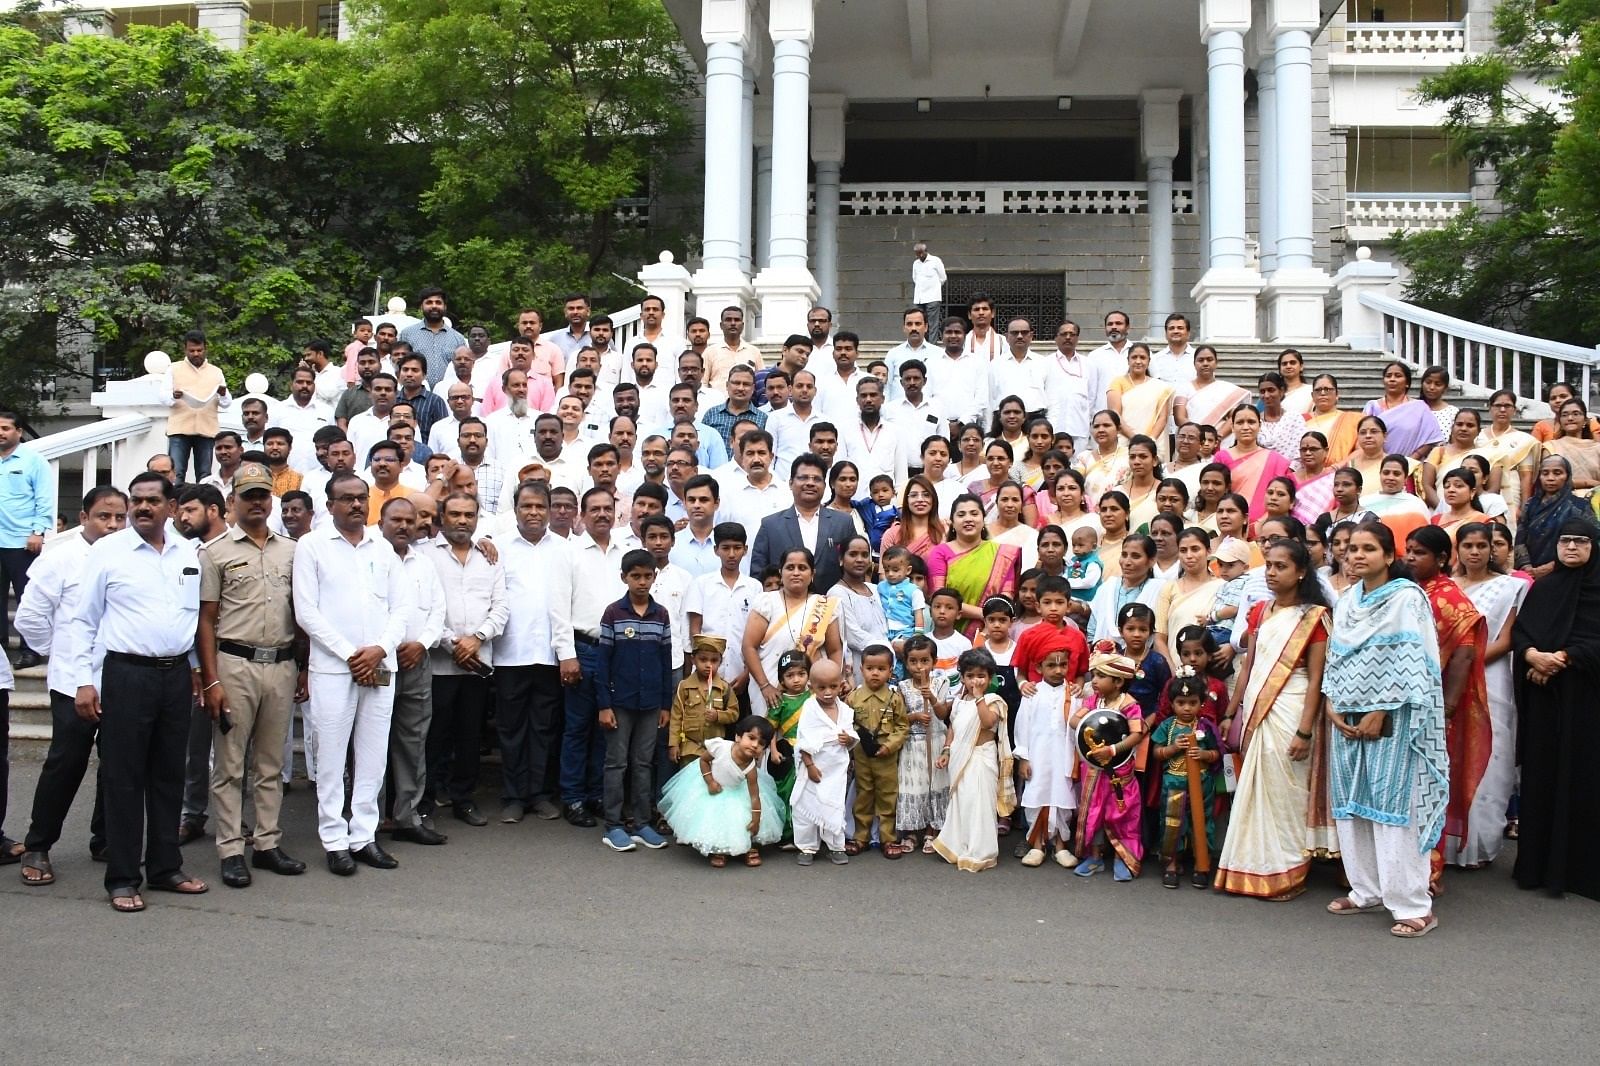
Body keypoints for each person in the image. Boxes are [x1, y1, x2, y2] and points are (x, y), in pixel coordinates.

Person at [62, 472, 208, 911]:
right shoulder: (108, 552)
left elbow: (190, 618)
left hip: (176, 676)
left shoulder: (189, 552)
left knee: (169, 776)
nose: (143, 508)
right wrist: (83, 681)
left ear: (170, 507)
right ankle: (123, 877)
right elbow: (82, 620)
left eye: (152, 501)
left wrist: (198, 670)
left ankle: (165, 868)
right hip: (126, 675)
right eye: (137, 501)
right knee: (124, 778)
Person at [1324, 522, 1447, 938]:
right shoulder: (1346, 601)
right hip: (1345, 715)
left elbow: (1414, 663)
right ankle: (1366, 889)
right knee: (1351, 803)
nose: (1357, 556)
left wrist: (1381, 709)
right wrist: (1331, 704)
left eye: (1368, 549)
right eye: (1352, 549)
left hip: (1394, 718)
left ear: (1389, 556)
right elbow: (1336, 659)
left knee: (1393, 808)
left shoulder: (1406, 600)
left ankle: (1413, 904)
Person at [193, 464, 308, 889]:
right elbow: (205, 620)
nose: (257, 502)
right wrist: (211, 680)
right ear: (232, 502)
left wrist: (304, 666)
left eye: (263, 494)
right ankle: (229, 848)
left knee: (270, 763)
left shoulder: (293, 551)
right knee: (229, 762)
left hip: (280, 663)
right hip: (234, 664)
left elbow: (302, 615)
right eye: (249, 495)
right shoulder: (215, 552)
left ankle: (266, 843)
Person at [293, 471, 410, 876]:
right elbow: (306, 611)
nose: (357, 504)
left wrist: (378, 649)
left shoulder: (382, 547)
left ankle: (364, 836)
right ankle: (334, 839)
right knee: (331, 757)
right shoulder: (312, 547)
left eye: (362, 498)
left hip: (379, 666)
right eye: (347, 499)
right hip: (333, 669)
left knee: (373, 757)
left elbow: (401, 609)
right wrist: (349, 654)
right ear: (330, 506)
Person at [13, 486, 126, 885]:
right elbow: (29, 619)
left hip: (120, 680)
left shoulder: (132, 556)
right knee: (66, 763)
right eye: (103, 517)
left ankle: (106, 839)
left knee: (116, 765)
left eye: (119, 517)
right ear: (83, 517)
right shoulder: (59, 559)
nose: (112, 525)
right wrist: (58, 653)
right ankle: (38, 845)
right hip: (72, 681)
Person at [1213, 539, 1334, 900]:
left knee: (1286, 793)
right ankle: (1252, 866)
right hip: (1255, 708)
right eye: (1268, 565)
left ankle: (1287, 870)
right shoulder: (1260, 612)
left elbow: (1317, 678)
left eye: (1281, 566)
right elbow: (1247, 667)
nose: (1271, 572)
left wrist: (1305, 730)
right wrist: (1231, 712)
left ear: (1300, 573)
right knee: (1256, 791)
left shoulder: (1315, 617)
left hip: (1292, 710)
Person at [1511, 517, 1600, 900]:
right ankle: (1537, 867)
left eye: (1581, 541)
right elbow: (1523, 632)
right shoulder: (1544, 588)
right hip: (1546, 701)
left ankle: (1580, 871)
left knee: (1583, 779)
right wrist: (1532, 655)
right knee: (1543, 775)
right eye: (1566, 541)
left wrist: (1561, 658)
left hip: (1587, 703)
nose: (1572, 548)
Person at [1404, 526, 1492, 893]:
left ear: (1441, 559)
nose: (1410, 558)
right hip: (1408, 703)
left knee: (1429, 787)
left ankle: (1428, 871)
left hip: (1436, 708)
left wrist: (1448, 708)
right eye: (1407, 550)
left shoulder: (1448, 598)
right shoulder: (1409, 591)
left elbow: (1465, 653)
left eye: (1419, 552)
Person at [422, 494, 508, 827]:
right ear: (441, 517)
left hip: (477, 664)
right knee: (434, 735)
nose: (462, 520)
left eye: (468, 515)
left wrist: (478, 639)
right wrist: (452, 643)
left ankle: (463, 798)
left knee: (470, 735)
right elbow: (423, 606)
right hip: (438, 663)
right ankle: (426, 799)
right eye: (455, 514)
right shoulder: (425, 555)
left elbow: (501, 606)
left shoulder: (489, 557)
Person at [493, 481, 574, 822]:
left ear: (550, 509)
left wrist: (567, 651)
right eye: (526, 506)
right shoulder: (498, 549)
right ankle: (514, 796)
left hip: (549, 653)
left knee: (544, 727)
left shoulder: (566, 549)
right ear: (515, 510)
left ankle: (539, 793)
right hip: (510, 653)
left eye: (540, 506)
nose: (534, 512)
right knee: (511, 728)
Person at [1451, 523, 1524, 868]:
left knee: (1490, 756)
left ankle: (1480, 845)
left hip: (1490, 677)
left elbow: (1508, 638)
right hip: (1449, 677)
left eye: (1482, 545)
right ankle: (1448, 844)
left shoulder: (1510, 588)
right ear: (1458, 549)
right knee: (1453, 755)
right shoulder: (1447, 587)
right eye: (1468, 545)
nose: (1476, 552)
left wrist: (1468, 662)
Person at [592, 549, 674, 853]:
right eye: (635, 576)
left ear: (655, 577)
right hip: (619, 703)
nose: (642, 582)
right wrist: (604, 705)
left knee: (643, 763)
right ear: (623, 577)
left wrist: (665, 704)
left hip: (651, 704)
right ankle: (613, 825)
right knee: (616, 763)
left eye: (647, 576)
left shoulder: (661, 614)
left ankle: (642, 823)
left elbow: (666, 662)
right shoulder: (613, 613)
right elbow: (602, 664)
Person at [379, 495, 448, 847]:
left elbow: (438, 609)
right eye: (397, 520)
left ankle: (408, 815)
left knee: (412, 742)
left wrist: (421, 643)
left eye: (411, 520)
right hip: (378, 665)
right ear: (381, 522)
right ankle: (370, 820)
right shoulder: (371, 557)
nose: (405, 526)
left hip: (417, 662)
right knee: (371, 744)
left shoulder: (423, 563)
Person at [659, 714, 785, 868]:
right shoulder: (720, 747)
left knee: (741, 817)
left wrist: (756, 819)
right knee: (714, 817)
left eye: (761, 744)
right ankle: (718, 848)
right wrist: (710, 781)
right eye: (751, 738)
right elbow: (704, 761)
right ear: (738, 737)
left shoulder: (751, 769)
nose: (754, 745)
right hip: (713, 785)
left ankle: (748, 846)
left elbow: (754, 796)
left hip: (737, 791)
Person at [932, 648, 1015, 872]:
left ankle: (980, 852)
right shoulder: (959, 701)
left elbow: (988, 723)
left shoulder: (993, 700)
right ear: (962, 677)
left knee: (979, 805)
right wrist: (947, 751)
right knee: (962, 803)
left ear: (990, 678)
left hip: (981, 759)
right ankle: (957, 847)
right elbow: (954, 727)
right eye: (970, 676)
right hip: (960, 759)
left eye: (981, 676)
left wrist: (979, 698)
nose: (975, 680)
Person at [1068, 648, 1144, 881]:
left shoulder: (1129, 704)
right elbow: (1073, 721)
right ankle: (1095, 856)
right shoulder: (1093, 701)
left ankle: (1123, 857)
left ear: (1119, 681)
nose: (1095, 681)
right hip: (1093, 770)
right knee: (1094, 812)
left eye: (1101, 676)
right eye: (1094, 676)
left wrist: (1112, 749)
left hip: (1118, 771)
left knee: (1121, 813)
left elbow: (1136, 734)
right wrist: (1090, 724)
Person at [741, 547, 844, 717]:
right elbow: (748, 647)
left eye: (802, 568)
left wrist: (835, 681)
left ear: (812, 574)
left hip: (812, 691)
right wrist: (765, 686)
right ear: (781, 573)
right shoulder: (766, 601)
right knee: (769, 739)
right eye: (790, 568)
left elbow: (835, 650)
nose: (796, 573)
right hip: (770, 689)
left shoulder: (824, 606)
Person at [748, 453, 857, 594]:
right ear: (790, 483)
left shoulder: (843, 523)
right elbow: (758, 577)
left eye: (816, 479)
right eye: (803, 478)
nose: (810, 483)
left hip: (832, 607)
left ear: (824, 485)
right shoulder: (770, 525)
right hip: (784, 610)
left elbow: (854, 569)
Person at [1151, 671, 1220, 889]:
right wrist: (1173, 748)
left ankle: (1202, 864)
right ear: (1172, 704)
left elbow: (1217, 753)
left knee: (1202, 823)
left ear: (1201, 703)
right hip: (1173, 783)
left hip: (1201, 784)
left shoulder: (1205, 726)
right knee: (1172, 824)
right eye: (1181, 703)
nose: (1187, 708)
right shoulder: (1167, 726)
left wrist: (1205, 755)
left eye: (1192, 703)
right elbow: (1156, 752)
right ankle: (1171, 864)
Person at [1013, 646, 1078, 869]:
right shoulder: (1032, 693)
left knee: (1063, 798)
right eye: (1051, 665)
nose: (1058, 670)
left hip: (1064, 754)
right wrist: (1023, 757)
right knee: (1037, 795)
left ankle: (1060, 847)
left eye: (1063, 665)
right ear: (1039, 667)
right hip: (1037, 755)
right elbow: (1022, 726)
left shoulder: (1074, 694)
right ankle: (1037, 846)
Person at [789, 657, 857, 865]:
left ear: (841, 684)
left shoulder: (844, 710)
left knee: (834, 804)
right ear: (811, 687)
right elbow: (804, 740)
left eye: (833, 686)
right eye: (822, 687)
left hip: (836, 768)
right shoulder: (810, 709)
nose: (828, 692)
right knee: (806, 806)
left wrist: (849, 739)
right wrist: (809, 765)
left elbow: (851, 733)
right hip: (814, 765)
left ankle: (836, 845)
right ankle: (807, 846)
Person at [0, 409, 53, 671]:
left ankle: (30, 650)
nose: (1, 433)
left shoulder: (34, 461)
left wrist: (38, 531)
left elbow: (44, 498)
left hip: (22, 542)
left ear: (18, 432)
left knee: (27, 598)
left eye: (6, 428)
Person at [846, 645, 910, 858]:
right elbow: (846, 724)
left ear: (890, 670)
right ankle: (860, 837)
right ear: (861, 669)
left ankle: (888, 838)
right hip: (862, 754)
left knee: (887, 796)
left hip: (886, 755)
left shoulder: (894, 698)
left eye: (881, 668)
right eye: (870, 668)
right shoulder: (853, 698)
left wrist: (889, 745)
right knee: (863, 794)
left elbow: (902, 726)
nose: (875, 673)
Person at [927, 494, 1020, 638]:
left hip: (991, 632)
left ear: (984, 519)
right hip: (948, 633)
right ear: (952, 521)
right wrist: (986, 614)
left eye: (974, 513)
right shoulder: (940, 553)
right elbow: (938, 599)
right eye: (961, 514)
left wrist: (990, 622)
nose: (968, 519)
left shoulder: (1002, 554)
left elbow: (1005, 599)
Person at [894, 635, 951, 856]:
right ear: (906, 663)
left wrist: (933, 698)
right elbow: (897, 718)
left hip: (935, 739)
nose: (919, 667)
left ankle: (932, 830)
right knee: (913, 786)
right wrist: (915, 716)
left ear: (934, 661)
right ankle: (911, 833)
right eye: (914, 662)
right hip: (912, 743)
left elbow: (944, 714)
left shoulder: (940, 682)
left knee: (934, 785)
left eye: (925, 661)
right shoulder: (902, 687)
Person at [163, 332, 231, 482]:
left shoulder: (216, 371)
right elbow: (163, 398)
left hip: (207, 430)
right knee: (176, 473)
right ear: (185, 350)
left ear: (205, 349)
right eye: (192, 350)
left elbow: (227, 403)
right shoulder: (174, 369)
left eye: (199, 350)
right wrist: (174, 396)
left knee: (205, 474)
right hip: (179, 429)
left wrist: (223, 393)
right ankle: (175, 503)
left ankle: (203, 504)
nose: (196, 354)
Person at [667, 634, 739, 768]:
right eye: (703, 659)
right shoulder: (684, 687)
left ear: (720, 662)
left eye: (714, 660)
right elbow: (676, 718)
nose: (708, 665)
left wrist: (719, 716)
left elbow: (734, 713)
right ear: (693, 660)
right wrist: (674, 744)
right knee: (690, 784)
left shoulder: (724, 688)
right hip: (690, 748)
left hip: (715, 750)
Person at [1363, 362, 1446, 460]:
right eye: (1388, 376)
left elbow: (1431, 438)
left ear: (1407, 383)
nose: (1392, 379)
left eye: (1398, 376)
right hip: (1375, 463)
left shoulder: (1419, 407)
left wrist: (1410, 460)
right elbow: (1362, 435)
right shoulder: (1372, 406)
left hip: (1411, 464)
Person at [1107, 343, 1175, 444]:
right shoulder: (1117, 382)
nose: (1138, 361)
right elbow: (1115, 415)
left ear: (1149, 361)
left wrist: (1150, 441)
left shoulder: (1160, 387)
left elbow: (1162, 418)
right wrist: (1135, 439)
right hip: (1124, 441)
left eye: (1142, 358)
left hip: (1153, 443)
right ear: (1128, 360)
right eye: (1134, 357)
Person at [877, 546, 927, 661]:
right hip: (884, 631)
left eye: (895, 570)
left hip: (905, 631)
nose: (890, 574)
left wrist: (917, 636)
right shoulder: (880, 587)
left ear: (908, 570)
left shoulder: (913, 590)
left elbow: (918, 613)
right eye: (886, 570)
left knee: (903, 659)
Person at [1303, 374, 1362, 464]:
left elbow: (1361, 450)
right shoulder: (1301, 420)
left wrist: (1337, 467)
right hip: (1305, 473)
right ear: (1312, 395)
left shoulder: (1354, 420)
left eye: (1327, 389)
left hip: (1341, 474)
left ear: (1337, 394)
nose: (1322, 393)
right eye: (1318, 390)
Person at [910, 241, 946, 326]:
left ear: (924, 252)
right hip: (919, 298)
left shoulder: (936, 260)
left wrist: (934, 287)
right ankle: (922, 340)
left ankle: (932, 340)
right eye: (916, 254)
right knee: (919, 322)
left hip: (932, 297)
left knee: (932, 323)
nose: (918, 256)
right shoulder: (916, 263)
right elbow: (915, 278)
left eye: (919, 254)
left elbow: (943, 278)